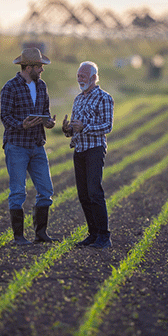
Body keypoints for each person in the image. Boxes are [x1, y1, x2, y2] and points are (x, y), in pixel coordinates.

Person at [0, 47, 57, 245]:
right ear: (29, 67)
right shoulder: (10, 87)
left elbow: (46, 112)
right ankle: (19, 237)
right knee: (17, 192)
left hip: (37, 145)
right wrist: (20, 124)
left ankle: (41, 234)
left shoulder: (42, 87)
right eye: (40, 66)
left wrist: (49, 122)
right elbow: (5, 116)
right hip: (17, 146)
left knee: (46, 190)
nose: (42, 70)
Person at [62, 61, 114, 249]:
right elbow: (76, 128)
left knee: (94, 192)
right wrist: (68, 129)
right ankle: (92, 234)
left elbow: (107, 126)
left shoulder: (104, 98)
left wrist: (85, 127)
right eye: (78, 75)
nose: (80, 78)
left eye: (83, 75)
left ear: (94, 77)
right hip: (79, 149)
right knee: (83, 195)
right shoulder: (78, 99)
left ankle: (104, 235)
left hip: (94, 149)